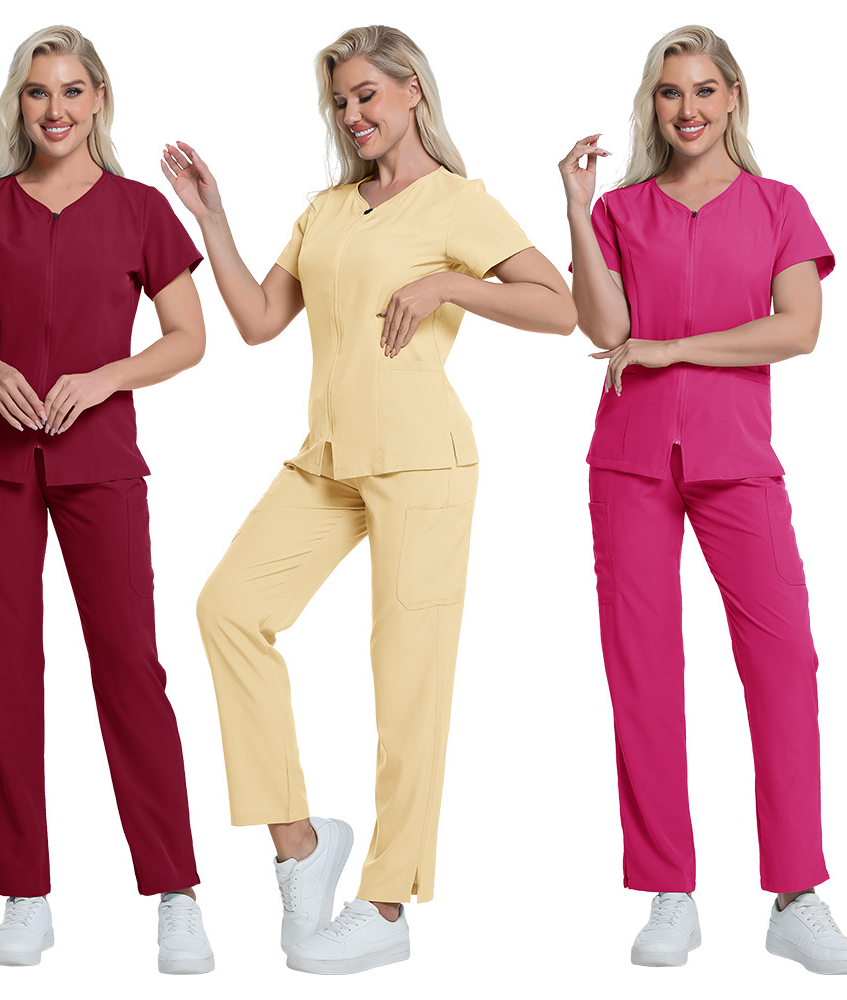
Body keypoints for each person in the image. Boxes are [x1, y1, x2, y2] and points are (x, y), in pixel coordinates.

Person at [161, 23, 576, 975]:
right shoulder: (327, 210)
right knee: (228, 610)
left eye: (367, 95)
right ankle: (301, 843)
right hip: (328, 460)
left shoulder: (458, 203)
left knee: (407, 680)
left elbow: (559, 308)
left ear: (412, 91)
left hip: (422, 462)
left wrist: (449, 285)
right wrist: (213, 220)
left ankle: (387, 902)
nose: (352, 114)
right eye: (341, 100)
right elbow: (260, 322)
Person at [559, 24, 847, 975]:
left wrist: (675, 349)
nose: (686, 109)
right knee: (643, 671)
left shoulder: (780, 206)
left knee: (784, 664)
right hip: (631, 461)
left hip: (739, 460)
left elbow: (798, 329)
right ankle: (669, 891)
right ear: (652, 106)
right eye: (669, 92)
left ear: (732, 95)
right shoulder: (621, 210)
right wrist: (577, 211)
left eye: (702, 89)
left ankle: (797, 894)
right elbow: (602, 323)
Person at [0, 25, 214, 974]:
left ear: (99, 100)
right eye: (39, 92)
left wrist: (104, 379)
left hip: (102, 461)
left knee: (130, 669)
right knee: (3, 672)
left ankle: (175, 891)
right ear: (20, 103)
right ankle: (24, 891)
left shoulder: (139, 210)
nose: (56, 109)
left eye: (73, 91)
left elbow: (187, 336)